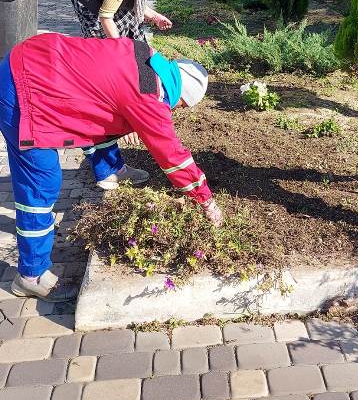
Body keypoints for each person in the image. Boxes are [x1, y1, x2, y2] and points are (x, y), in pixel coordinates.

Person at [0, 33, 222, 301]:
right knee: (41, 184)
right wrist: (206, 200)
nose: (177, 110)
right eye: (182, 107)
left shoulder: (146, 55)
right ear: (182, 96)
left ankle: (109, 170)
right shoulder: (149, 96)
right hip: (26, 91)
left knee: (103, 113)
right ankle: (31, 276)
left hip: (36, 59)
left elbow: (103, 102)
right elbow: (173, 158)